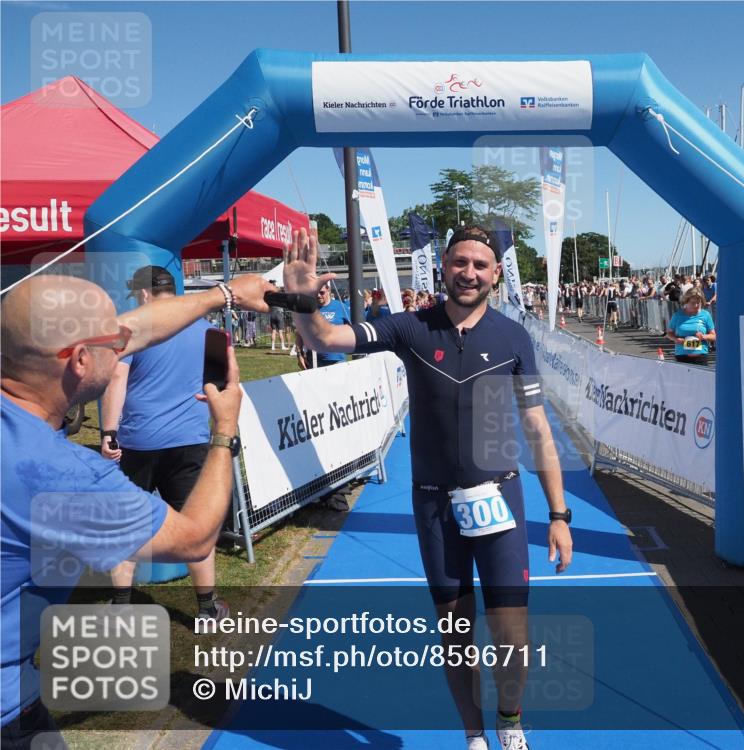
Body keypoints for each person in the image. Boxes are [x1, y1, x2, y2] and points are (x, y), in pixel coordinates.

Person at [284, 225, 572, 750]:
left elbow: (536, 427)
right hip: (435, 503)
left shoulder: (512, 337)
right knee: (457, 634)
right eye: (459, 262)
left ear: (495, 274)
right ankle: (474, 733)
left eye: (480, 265)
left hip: (500, 497)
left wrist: (559, 515)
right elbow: (325, 339)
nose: (469, 273)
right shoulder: (411, 328)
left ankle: (509, 721)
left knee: (512, 633)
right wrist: (304, 302)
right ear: (443, 267)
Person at [1, 272, 272, 747]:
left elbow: (137, 328)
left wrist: (223, 295)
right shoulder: (57, 473)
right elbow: (194, 537)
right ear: (82, 360)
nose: (124, 343)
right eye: (114, 341)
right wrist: (224, 429)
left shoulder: (29, 370)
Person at [98, 266, 228, 621]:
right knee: (196, 525)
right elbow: (222, 387)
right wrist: (224, 433)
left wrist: (108, 432)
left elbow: (116, 380)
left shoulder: (135, 330)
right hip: (190, 440)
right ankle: (207, 608)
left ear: (143, 295)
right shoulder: (210, 332)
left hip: (138, 442)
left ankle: (121, 604)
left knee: (125, 524)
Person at [665, 288, 716, 365]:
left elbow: (714, 336)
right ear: (686, 302)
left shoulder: (706, 315)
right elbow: (669, 333)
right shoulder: (677, 315)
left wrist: (703, 336)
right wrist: (675, 339)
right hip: (681, 356)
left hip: (701, 357)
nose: (696, 305)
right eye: (693, 303)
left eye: (698, 303)